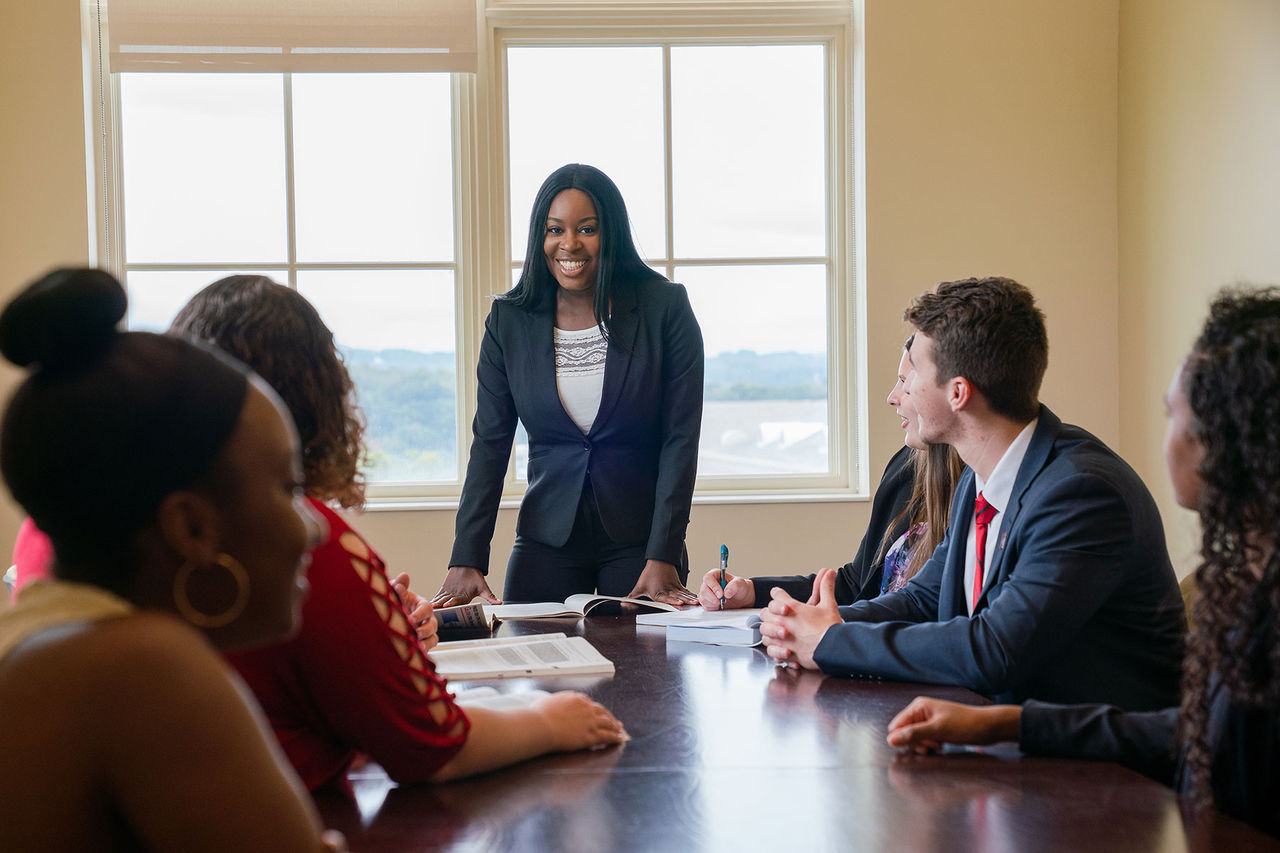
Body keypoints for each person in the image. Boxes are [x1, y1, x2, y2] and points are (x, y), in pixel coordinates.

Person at [168, 275, 629, 790]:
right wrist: (549, 720)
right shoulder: (313, 545)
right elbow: (435, 746)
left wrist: (376, 633)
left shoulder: (156, 534)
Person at [886, 287, 1280, 836]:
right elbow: (1196, 734)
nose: (1164, 439)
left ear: (1229, 439)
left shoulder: (1084, 488)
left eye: (1172, 414)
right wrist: (1008, 724)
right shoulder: (1256, 580)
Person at [0, 269, 343, 851]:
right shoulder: (145, 666)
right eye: (288, 489)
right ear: (191, 527)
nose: (312, 529)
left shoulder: (48, 634)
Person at [759, 276, 1186, 710]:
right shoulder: (981, 476)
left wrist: (834, 641)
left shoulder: (1082, 493)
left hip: (1100, 767)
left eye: (914, 376)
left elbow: (995, 649)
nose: (901, 392)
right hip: (998, 738)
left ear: (958, 392)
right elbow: (924, 597)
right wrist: (808, 625)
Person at [434, 163, 704, 606]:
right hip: (546, 540)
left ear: (611, 232)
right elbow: (490, 443)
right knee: (533, 664)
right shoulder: (509, 321)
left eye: (587, 228)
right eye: (554, 229)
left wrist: (664, 554)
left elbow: (681, 440)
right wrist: (467, 558)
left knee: (645, 672)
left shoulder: (665, 308)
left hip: (640, 545)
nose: (569, 244)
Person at [698, 335, 962, 609]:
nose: (891, 397)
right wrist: (753, 592)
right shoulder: (906, 467)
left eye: (906, 383)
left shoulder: (976, 489)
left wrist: (829, 630)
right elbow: (856, 584)